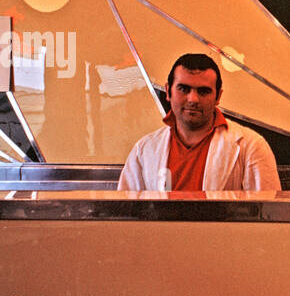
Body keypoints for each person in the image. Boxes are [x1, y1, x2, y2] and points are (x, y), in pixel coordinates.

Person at [118, 53, 281, 192]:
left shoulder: (252, 147)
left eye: (203, 91)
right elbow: (128, 216)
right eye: (184, 89)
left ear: (218, 97)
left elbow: (267, 219)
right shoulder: (144, 149)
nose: (193, 99)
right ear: (168, 91)